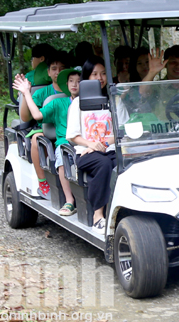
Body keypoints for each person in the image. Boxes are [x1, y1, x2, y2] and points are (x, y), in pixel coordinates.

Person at [13, 68, 79, 213]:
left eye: (79, 81)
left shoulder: (88, 103)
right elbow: (36, 115)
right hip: (66, 143)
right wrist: (26, 93)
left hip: (85, 142)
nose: (75, 84)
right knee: (63, 157)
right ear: (66, 84)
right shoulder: (58, 103)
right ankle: (69, 200)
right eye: (71, 81)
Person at [67, 59, 116, 229]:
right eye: (94, 74)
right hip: (86, 152)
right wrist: (92, 145)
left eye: (103, 73)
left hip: (111, 149)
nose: (100, 78)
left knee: (123, 163)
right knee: (103, 164)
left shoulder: (114, 100)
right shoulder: (78, 103)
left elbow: (121, 130)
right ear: (87, 77)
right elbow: (72, 136)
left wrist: (102, 143)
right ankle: (98, 214)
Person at [18, 54, 67, 196]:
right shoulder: (41, 93)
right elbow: (26, 117)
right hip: (45, 129)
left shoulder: (72, 88)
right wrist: (25, 94)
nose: (58, 72)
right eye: (54, 69)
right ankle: (43, 181)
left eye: (62, 68)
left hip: (67, 128)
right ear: (48, 72)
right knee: (36, 138)